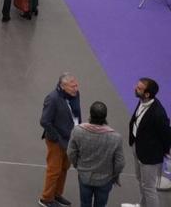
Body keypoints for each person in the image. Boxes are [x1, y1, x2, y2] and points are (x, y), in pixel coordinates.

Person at [68, 101, 125, 207]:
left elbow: (71, 153)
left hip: (84, 176)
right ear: (105, 116)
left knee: (85, 204)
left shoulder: (77, 131)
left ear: (90, 114)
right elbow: (120, 163)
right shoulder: (115, 138)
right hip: (105, 180)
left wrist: (78, 166)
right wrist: (114, 175)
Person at [40, 73, 83, 207]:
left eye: (76, 85)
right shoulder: (52, 99)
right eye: (72, 86)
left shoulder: (75, 95)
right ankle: (46, 199)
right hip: (56, 141)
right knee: (54, 170)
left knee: (64, 167)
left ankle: (57, 194)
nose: (76, 88)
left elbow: (76, 114)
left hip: (71, 139)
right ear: (62, 86)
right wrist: (57, 138)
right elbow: (45, 121)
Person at [129, 77, 171, 207]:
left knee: (149, 189)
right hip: (138, 147)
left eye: (139, 88)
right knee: (141, 181)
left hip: (150, 157)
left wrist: (167, 152)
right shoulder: (143, 100)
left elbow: (166, 135)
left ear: (147, 94)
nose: (135, 89)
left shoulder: (158, 114)